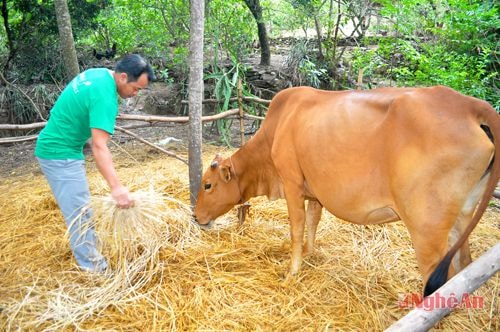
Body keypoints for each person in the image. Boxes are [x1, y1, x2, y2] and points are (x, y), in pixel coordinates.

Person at [35, 54, 155, 272]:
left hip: (63, 147)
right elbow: (99, 146)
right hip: (59, 153)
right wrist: (117, 188)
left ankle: (92, 258)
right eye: (136, 88)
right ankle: (94, 270)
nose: (135, 94)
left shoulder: (98, 74)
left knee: (81, 209)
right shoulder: (106, 97)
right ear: (123, 77)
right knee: (81, 214)